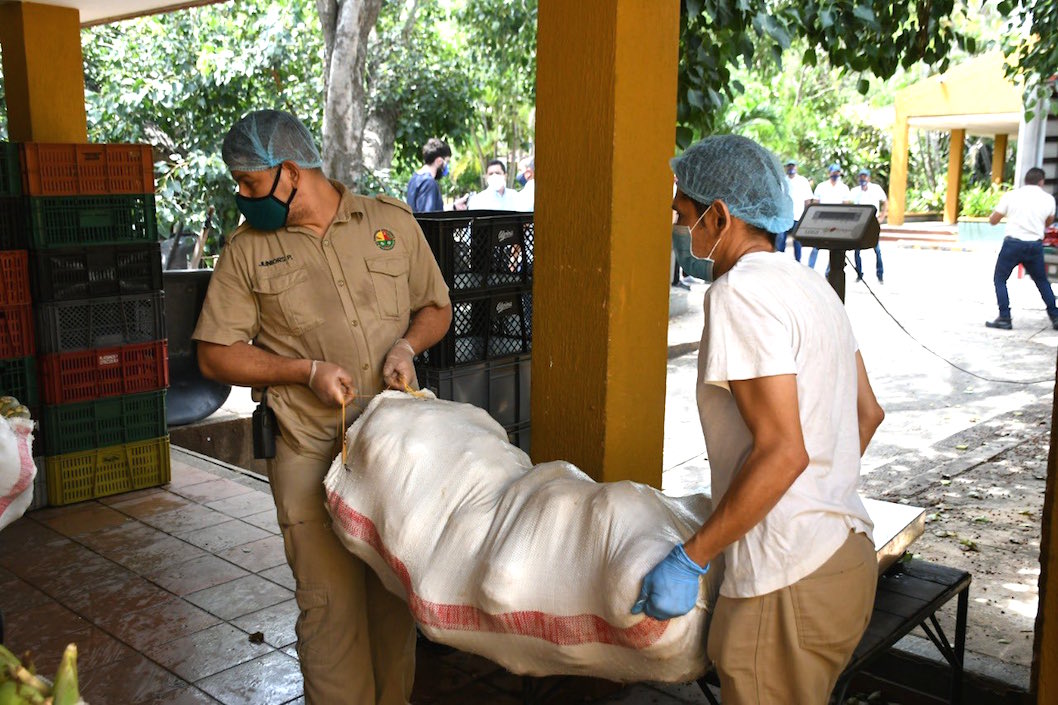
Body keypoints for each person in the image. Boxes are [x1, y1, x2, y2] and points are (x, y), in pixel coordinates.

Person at [193, 109, 453, 705]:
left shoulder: (388, 222)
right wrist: (301, 372)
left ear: (289, 172)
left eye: (250, 183)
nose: (242, 196)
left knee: (393, 609)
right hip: (311, 459)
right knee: (330, 618)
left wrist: (406, 346)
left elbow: (435, 306)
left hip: (392, 460)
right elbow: (214, 355)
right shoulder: (246, 253)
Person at [633, 135, 883, 703]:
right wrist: (817, 491)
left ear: (719, 215)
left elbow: (784, 453)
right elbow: (867, 414)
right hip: (843, 556)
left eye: (683, 214)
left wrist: (691, 556)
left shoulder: (739, 292)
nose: (679, 226)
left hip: (786, 577)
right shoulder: (810, 285)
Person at [985, 167, 1058, 330]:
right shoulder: (1048, 199)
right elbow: (1048, 221)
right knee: (1042, 282)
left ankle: (1004, 317)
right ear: (1041, 181)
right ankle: (1055, 317)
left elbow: (994, 220)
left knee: (1000, 279)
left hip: (1013, 244)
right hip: (1034, 245)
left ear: (1026, 180)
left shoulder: (1011, 195)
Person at [807, 163, 851, 270]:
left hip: (838, 220)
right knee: (816, 245)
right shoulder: (821, 186)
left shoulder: (844, 188)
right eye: (833, 172)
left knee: (835, 247)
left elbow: (846, 205)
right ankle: (810, 268)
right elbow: (816, 203)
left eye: (837, 172)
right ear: (829, 173)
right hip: (822, 220)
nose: (835, 174)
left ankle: (830, 270)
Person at [851, 168, 887, 283]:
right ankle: (859, 273)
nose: (863, 179)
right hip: (860, 222)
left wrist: (882, 216)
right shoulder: (855, 191)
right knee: (857, 250)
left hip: (872, 221)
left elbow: (885, 201)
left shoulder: (876, 189)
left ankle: (880, 274)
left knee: (877, 249)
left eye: (865, 176)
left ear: (869, 178)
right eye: (861, 177)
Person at [775, 159, 813, 262]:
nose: (791, 168)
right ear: (786, 168)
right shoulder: (782, 181)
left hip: (798, 215)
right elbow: (779, 198)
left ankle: (798, 262)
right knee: (780, 240)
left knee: (797, 242)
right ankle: (780, 262)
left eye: (793, 166)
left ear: (796, 167)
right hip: (784, 217)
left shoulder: (803, 181)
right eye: (789, 166)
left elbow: (807, 200)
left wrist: (807, 216)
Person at [405, 138, 450, 212]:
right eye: (447, 161)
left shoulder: (414, 179)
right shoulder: (429, 183)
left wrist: (454, 206)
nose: (447, 166)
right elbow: (428, 218)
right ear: (439, 161)